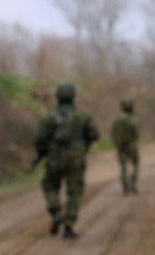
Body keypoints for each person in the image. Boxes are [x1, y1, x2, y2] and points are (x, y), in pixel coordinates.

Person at [34, 83, 99, 239]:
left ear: (58, 97)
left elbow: (40, 140)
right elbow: (94, 135)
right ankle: (69, 227)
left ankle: (56, 210)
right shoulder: (82, 115)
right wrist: (84, 147)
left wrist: (42, 153)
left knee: (49, 185)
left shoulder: (50, 117)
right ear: (73, 97)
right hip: (76, 159)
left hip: (55, 158)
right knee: (74, 191)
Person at [111, 98, 139, 195]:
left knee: (123, 166)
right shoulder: (133, 119)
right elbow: (136, 133)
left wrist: (116, 142)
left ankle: (125, 186)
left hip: (120, 146)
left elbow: (113, 132)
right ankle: (133, 182)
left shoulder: (117, 119)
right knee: (135, 164)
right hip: (132, 145)